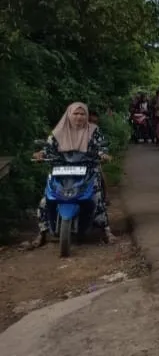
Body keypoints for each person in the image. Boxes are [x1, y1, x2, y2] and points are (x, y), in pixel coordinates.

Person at [31, 102, 114, 247]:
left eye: (82, 114)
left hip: (86, 170)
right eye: (76, 113)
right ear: (69, 114)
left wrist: (103, 154)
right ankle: (42, 233)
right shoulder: (58, 132)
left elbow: (101, 147)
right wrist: (41, 154)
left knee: (97, 197)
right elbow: (49, 148)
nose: (79, 117)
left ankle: (106, 231)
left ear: (86, 116)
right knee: (45, 200)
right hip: (61, 170)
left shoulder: (94, 131)